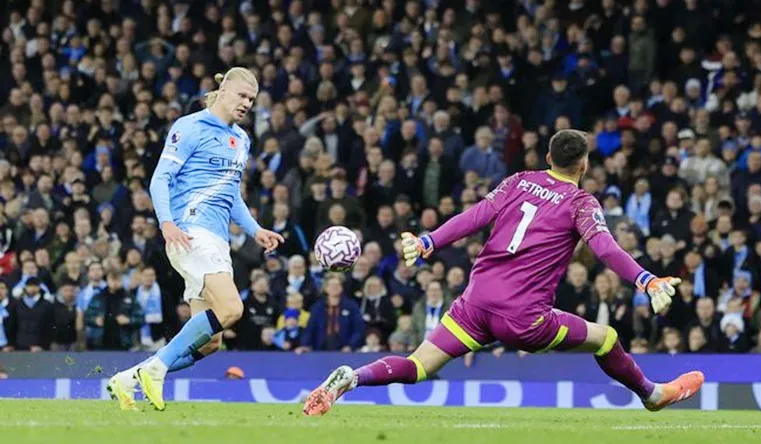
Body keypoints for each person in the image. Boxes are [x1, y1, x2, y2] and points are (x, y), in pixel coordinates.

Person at [303, 130, 704, 416]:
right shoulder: (581, 202)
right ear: (583, 164)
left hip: (474, 304)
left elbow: (475, 215)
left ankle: (353, 378)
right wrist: (646, 279)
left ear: (547, 158)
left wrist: (428, 242)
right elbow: (603, 246)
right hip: (524, 319)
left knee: (419, 366)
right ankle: (651, 395)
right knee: (607, 338)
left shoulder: (519, 181)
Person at [106, 67, 284, 411]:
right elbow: (160, 179)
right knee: (232, 309)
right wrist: (166, 223)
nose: (246, 104)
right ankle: (155, 370)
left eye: (252, 99)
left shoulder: (242, 140)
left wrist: (256, 229)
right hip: (190, 232)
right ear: (223, 90)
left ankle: (129, 378)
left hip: (217, 240)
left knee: (209, 343)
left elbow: (231, 195)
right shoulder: (190, 127)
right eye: (242, 96)